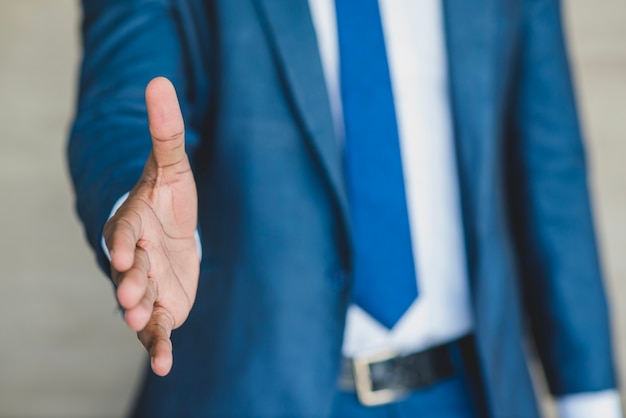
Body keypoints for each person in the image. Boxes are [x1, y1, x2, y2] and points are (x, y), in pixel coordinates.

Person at [68, 0, 621, 416]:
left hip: (471, 390)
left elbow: (550, 169)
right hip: (250, 389)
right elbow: (118, 109)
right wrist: (132, 209)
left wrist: (591, 398)